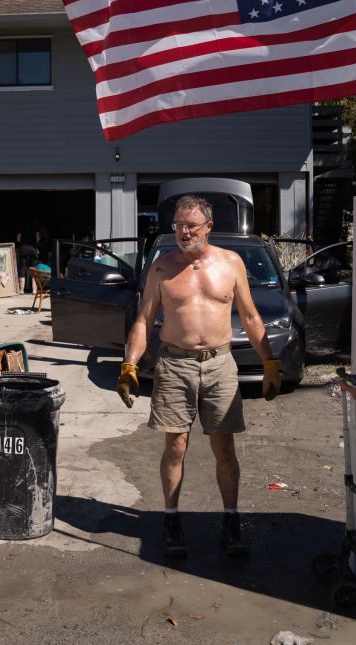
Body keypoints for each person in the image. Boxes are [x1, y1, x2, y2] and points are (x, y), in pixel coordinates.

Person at [116, 194, 280, 559]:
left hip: (220, 365)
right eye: (178, 225)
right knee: (175, 445)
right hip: (174, 365)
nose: (183, 231)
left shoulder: (231, 263)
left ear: (208, 227)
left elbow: (251, 317)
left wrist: (269, 362)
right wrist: (129, 364)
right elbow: (144, 320)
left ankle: (231, 522)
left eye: (190, 225)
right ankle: (171, 519)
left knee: (224, 446)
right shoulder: (162, 267)